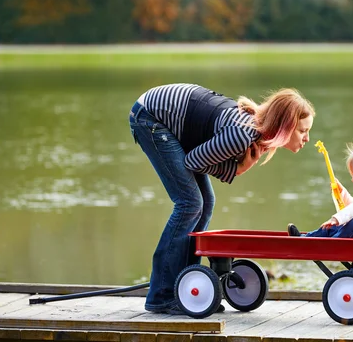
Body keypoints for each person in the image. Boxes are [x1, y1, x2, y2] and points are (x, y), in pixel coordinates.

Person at [129, 83, 314, 315]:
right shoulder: (243, 134)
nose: (307, 138)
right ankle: (161, 295)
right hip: (151, 117)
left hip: (174, 118)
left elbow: (198, 159)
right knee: (190, 204)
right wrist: (239, 169)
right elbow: (193, 162)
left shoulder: (256, 134)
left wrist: (238, 167)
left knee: (205, 204)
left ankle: (185, 289)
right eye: (302, 131)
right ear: (285, 127)